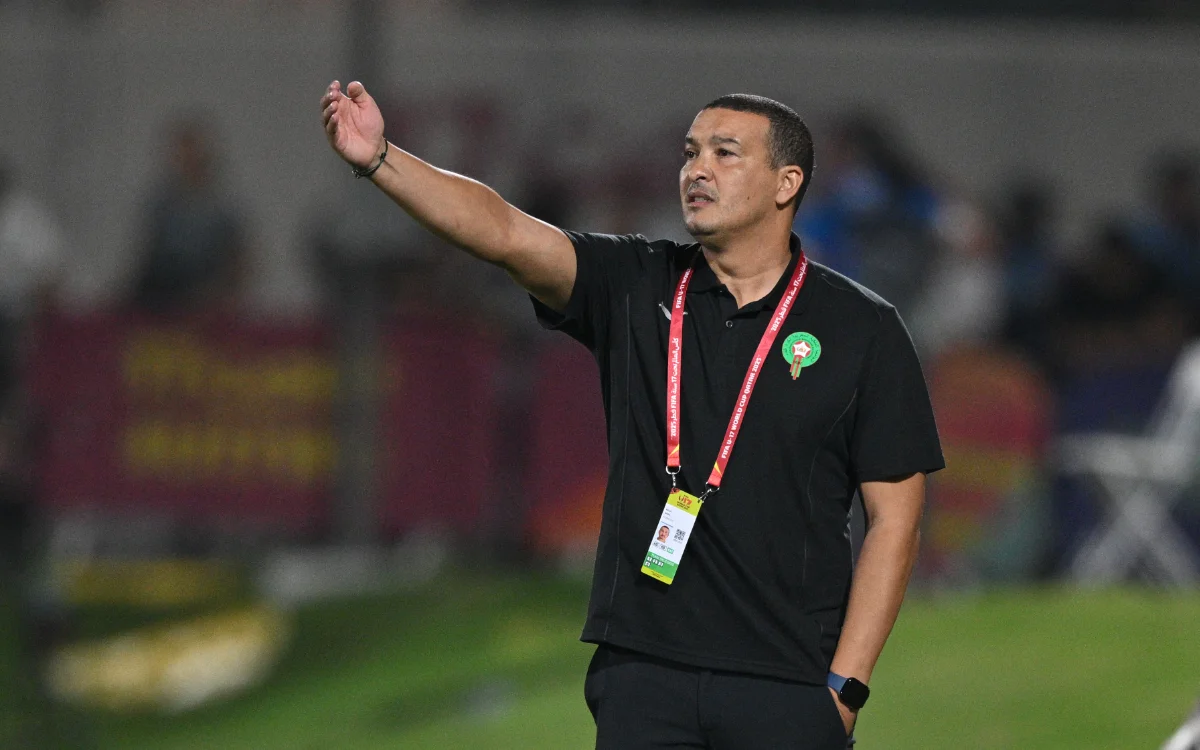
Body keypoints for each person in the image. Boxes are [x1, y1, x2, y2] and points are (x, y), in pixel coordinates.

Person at [321, 80, 944, 749]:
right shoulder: (635, 282)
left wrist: (845, 689)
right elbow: (502, 231)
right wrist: (380, 158)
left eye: (725, 153)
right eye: (690, 152)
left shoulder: (862, 328)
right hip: (644, 678)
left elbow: (895, 521)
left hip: (784, 683)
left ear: (785, 182)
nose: (697, 169)